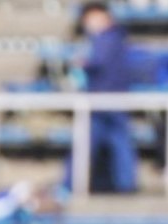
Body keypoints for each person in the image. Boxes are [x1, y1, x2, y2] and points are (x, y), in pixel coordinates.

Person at [65, 2, 139, 195]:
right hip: (106, 99)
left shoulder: (107, 38)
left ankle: (71, 184)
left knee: (105, 143)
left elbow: (98, 63)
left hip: (105, 100)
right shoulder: (112, 38)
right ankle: (125, 185)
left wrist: (82, 64)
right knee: (114, 143)